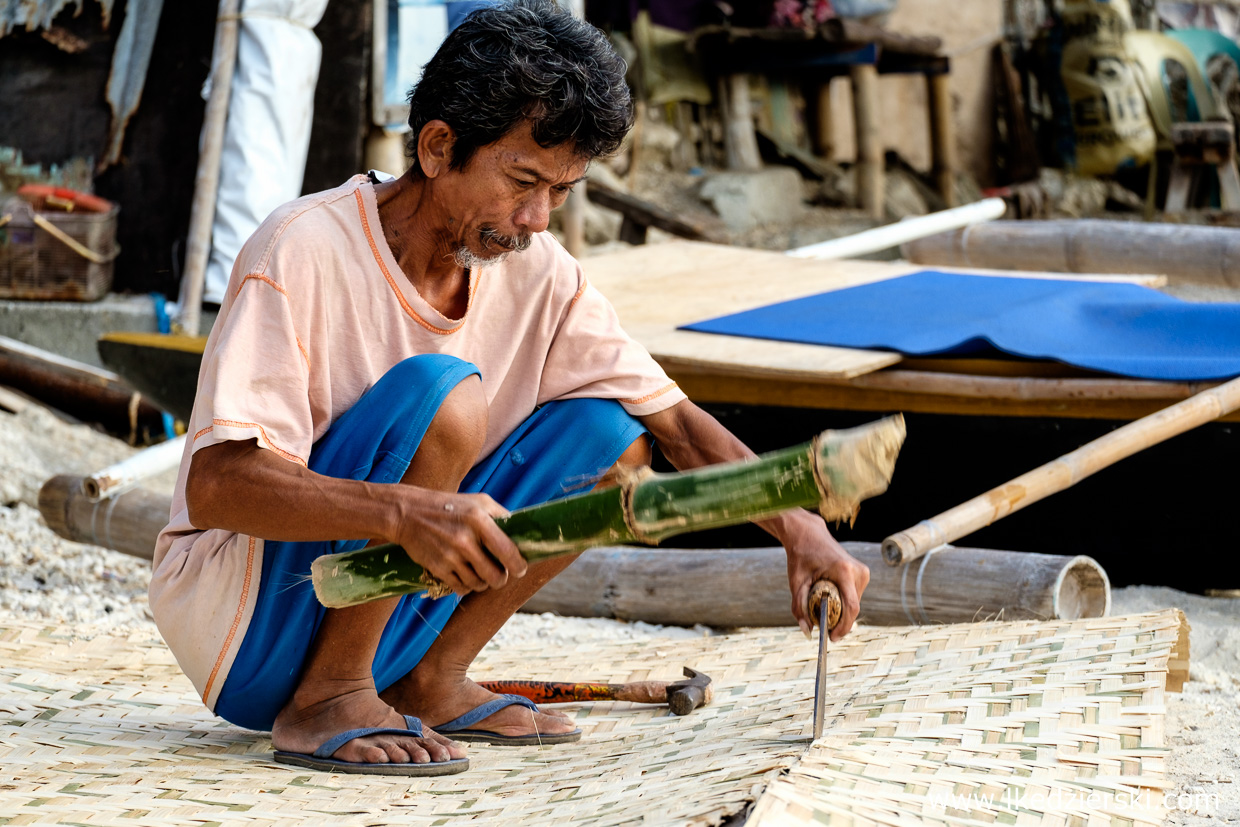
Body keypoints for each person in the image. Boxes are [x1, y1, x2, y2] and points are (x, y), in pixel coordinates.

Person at [150, 0, 869, 777]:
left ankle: (430, 674)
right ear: (437, 147)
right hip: (249, 620)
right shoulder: (303, 248)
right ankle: (329, 695)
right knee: (448, 396)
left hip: (378, 610)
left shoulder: (539, 271)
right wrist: (407, 511)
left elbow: (676, 425)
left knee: (613, 435)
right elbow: (218, 484)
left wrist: (800, 529)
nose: (535, 218)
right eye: (522, 180)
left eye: (560, 191)